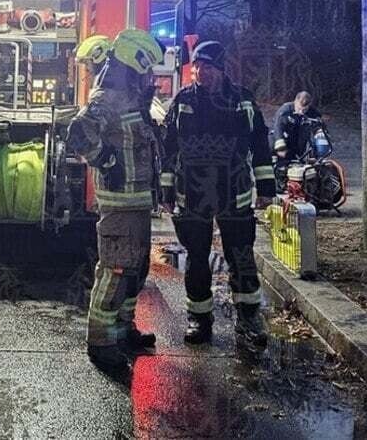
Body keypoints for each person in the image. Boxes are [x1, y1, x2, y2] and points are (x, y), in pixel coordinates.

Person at [160, 40, 275, 347]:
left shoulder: (242, 101)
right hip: (193, 193)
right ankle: (199, 318)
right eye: (196, 66)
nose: (200, 72)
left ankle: (249, 317)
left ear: (222, 69)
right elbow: (169, 146)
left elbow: (259, 144)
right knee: (196, 257)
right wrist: (166, 186)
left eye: (207, 67)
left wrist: (266, 187)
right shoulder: (183, 101)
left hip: (233, 192)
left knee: (241, 255)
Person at [67, 29, 163, 374]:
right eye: (146, 68)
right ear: (133, 62)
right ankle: (101, 342)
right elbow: (78, 134)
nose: (148, 74)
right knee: (116, 270)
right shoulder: (107, 98)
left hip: (137, 203)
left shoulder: (129, 96)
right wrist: (106, 160)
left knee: (135, 270)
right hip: (119, 204)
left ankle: (123, 330)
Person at [272, 91, 323, 162]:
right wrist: (280, 147)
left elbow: (319, 122)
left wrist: (319, 131)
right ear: (295, 101)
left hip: (299, 143)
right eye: (299, 109)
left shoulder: (312, 112)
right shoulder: (285, 110)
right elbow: (278, 127)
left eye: (304, 110)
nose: (301, 112)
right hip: (284, 141)